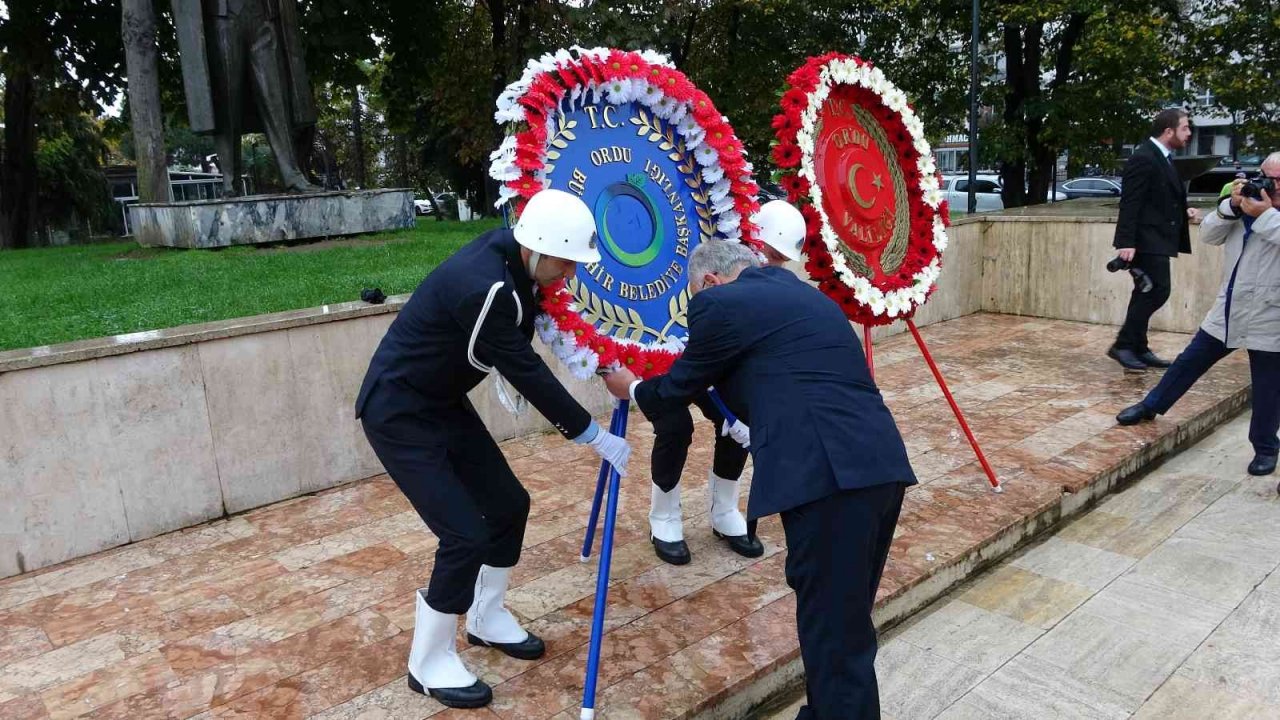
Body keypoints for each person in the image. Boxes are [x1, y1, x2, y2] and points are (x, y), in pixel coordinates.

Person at [603, 240, 916, 719]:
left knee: (834, 634)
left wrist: (635, 387)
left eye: (693, 294)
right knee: (843, 621)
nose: (696, 306)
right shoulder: (804, 297)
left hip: (828, 476)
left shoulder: (719, 303)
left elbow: (681, 385)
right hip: (879, 464)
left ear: (708, 281)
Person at [354, 189, 633, 709]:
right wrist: (591, 435)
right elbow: (524, 370)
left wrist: (605, 362)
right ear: (539, 249)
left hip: (439, 400)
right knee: (464, 533)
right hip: (398, 412)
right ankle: (429, 659)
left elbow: (549, 327)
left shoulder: (517, 264)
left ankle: (486, 616)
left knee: (509, 505)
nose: (570, 274)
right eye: (567, 263)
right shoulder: (486, 287)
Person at [646, 200, 807, 565]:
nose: (774, 266)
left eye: (779, 260)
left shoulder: (748, 269)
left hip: (713, 354)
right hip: (661, 349)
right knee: (675, 425)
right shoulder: (708, 246)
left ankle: (723, 510)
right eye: (771, 255)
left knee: (736, 413)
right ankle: (664, 516)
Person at [1117, 152, 1280, 481]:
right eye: (1265, 175)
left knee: (1269, 387)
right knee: (1188, 362)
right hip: (1230, 309)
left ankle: (1265, 448)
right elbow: (1208, 235)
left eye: (1277, 180)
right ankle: (1151, 405)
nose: (1269, 184)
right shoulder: (1245, 203)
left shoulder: (1265, 214)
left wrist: (1264, 216)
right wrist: (1230, 209)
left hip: (1271, 316)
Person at [1108, 108, 1201, 372]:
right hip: (1145, 240)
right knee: (1157, 290)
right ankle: (1124, 344)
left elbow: (1156, 199)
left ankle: (1137, 346)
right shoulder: (1144, 157)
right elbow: (1131, 202)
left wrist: (1183, 212)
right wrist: (1125, 242)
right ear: (1168, 131)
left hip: (1156, 237)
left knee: (1146, 291)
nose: (1189, 133)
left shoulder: (1163, 157)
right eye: (1185, 128)